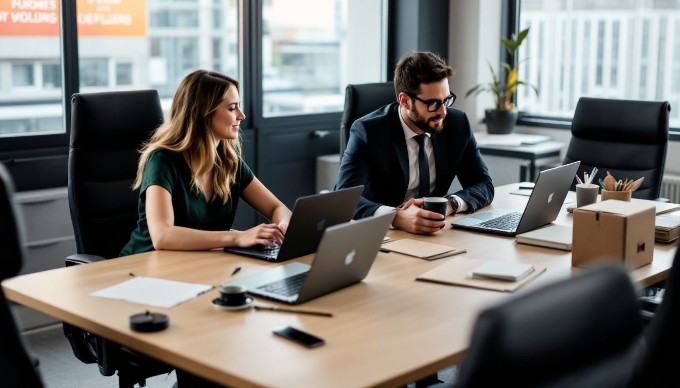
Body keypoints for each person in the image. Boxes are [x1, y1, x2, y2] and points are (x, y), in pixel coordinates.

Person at [120, 70, 291, 256]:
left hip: (197, 264)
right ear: (204, 113)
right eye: (232, 108)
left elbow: (277, 207)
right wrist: (238, 237)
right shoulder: (162, 160)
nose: (241, 115)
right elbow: (162, 236)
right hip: (145, 267)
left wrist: (282, 227)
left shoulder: (228, 162)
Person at [335, 51, 494, 235]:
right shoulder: (369, 131)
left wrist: (450, 204)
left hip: (433, 233)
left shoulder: (456, 124)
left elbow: (484, 185)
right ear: (405, 100)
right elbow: (344, 199)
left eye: (446, 100)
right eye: (433, 103)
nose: (443, 112)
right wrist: (395, 217)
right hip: (382, 236)